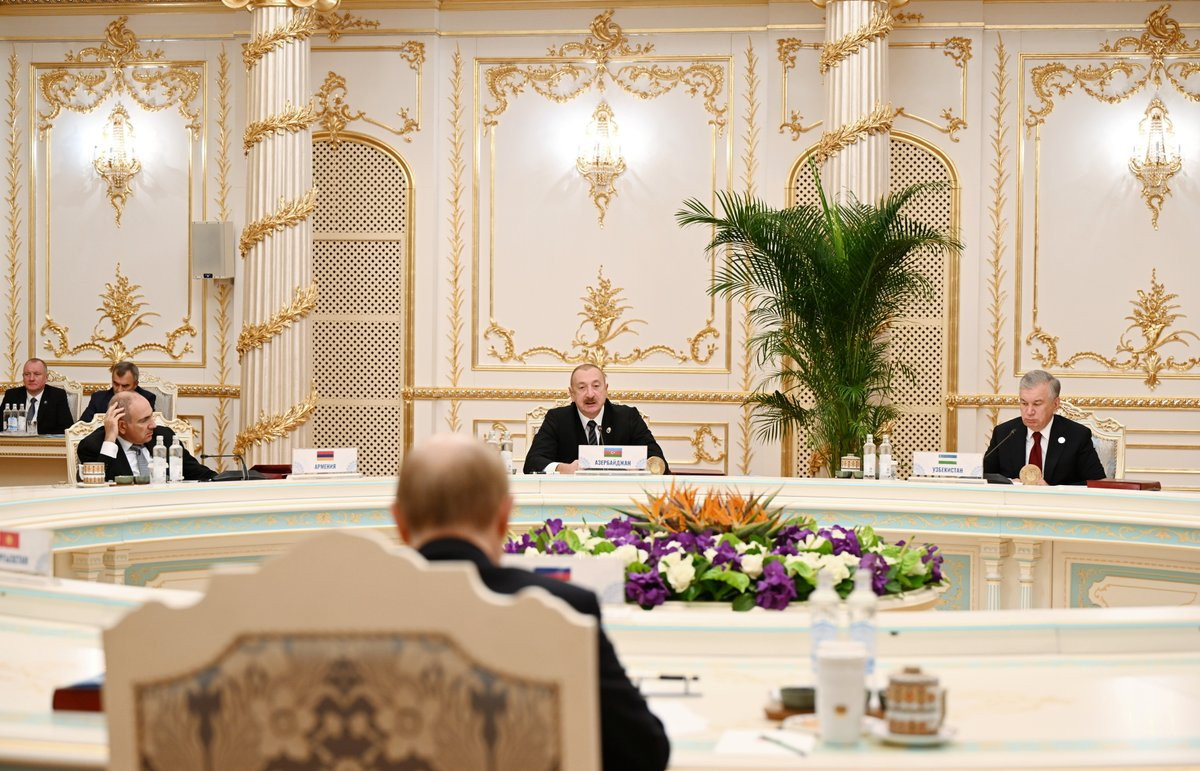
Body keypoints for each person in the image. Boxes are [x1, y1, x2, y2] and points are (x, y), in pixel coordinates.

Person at [393, 433, 670, 771]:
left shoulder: (356, 611)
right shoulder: (564, 609)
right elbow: (644, 752)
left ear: (399, 521)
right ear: (504, 517)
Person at [523, 363, 668, 474]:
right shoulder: (558, 419)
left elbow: (659, 462)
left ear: (606, 389)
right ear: (572, 394)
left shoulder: (627, 417)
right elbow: (532, 463)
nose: (590, 394)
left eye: (596, 386)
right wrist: (564, 469)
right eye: (582, 388)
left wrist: (639, 468)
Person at [983, 369, 1106, 485]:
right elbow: (984, 476)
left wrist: (1053, 491)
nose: (1029, 411)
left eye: (1037, 404)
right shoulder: (1004, 433)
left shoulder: (1077, 436)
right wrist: (1009, 482)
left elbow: (1096, 483)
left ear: (1055, 404)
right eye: (1024, 403)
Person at [76, 391, 215, 481]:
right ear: (122, 426)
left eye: (151, 416)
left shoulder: (164, 436)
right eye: (144, 420)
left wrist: (222, 479)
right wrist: (110, 439)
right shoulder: (93, 446)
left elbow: (196, 472)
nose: (153, 425)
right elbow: (96, 486)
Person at [2, 357, 74, 434]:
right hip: (16, 441)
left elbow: (66, 428)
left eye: (37, 374)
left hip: (45, 441)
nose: (31, 378)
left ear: (46, 378)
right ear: (23, 377)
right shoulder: (12, 395)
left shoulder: (57, 395)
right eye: (27, 374)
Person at [80, 360, 156, 422]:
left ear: (135, 384)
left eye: (125, 386)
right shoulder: (98, 398)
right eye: (116, 384)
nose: (119, 390)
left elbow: (149, 426)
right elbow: (82, 426)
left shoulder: (147, 398)